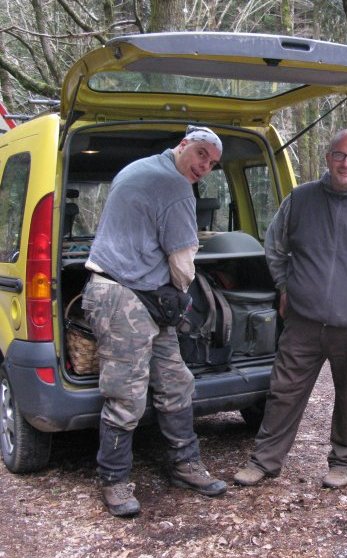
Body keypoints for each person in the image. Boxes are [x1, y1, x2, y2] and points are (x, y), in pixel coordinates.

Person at [233, 129, 347, 489]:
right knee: (283, 391)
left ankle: (345, 461)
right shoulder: (301, 199)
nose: (346, 163)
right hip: (303, 320)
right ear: (328, 158)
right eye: (339, 155)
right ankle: (264, 460)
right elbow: (275, 247)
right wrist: (284, 286)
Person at [82, 125, 228, 517]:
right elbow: (182, 262)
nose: (204, 166)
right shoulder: (175, 186)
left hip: (139, 293)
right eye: (201, 154)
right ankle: (114, 480)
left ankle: (185, 464)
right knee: (126, 393)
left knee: (175, 380)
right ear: (183, 145)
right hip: (122, 294)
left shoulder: (140, 167)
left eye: (212, 163)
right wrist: (183, 295)